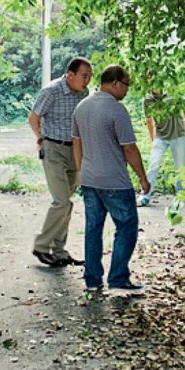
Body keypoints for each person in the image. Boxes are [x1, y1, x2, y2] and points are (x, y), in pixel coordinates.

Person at [72, 64, 150, 293]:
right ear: (115, 83)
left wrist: (80, 171)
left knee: (93, 229)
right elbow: (129, 149)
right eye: (126, 85)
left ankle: (92, 279)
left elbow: (76, 142)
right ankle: (118, 277)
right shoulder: (116, 110)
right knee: (127, 226)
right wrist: (143, 179)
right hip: (114, 180)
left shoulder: (81, 107)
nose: (127, 91)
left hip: (89, 178)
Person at [28, 57, 93, 267]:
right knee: (62, 201)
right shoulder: (51, 91)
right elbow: (33, 117)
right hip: (53, 148)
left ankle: (59, 251)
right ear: (70, 74)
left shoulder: (84, 93)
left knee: (67, 203)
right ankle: (40, 246)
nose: (87, 81)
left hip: (74, 149)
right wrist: (40, 137)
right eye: (84, 76)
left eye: (90, 77)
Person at [138, 86, 185, 206]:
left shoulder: (172, 93)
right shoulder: (147, 100)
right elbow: (149, 120)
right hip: (161, 136)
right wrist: (153, 138)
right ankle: (145, 195)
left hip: (178, 134)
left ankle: (181, 197)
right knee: (154, 165)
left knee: (180, 167)